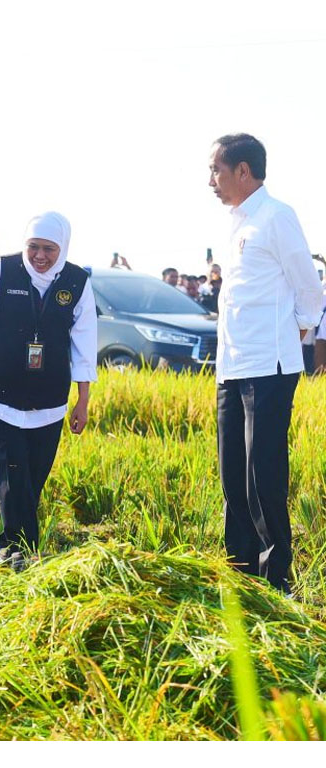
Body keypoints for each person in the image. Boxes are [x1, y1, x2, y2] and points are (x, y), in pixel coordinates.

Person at [208, 133, 321, 593]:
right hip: (232, 366)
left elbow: (309, 288)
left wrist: (296, 331)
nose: (210, 179)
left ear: (242, 171)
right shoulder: (235, 223)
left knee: (263, 474)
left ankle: (277, 580)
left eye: (216, 169)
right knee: (231, 471)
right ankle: (241, 572)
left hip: (269, 368)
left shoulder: (276, 217)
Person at [0, 212, 97, 569]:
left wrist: (82, 400)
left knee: (32, 478)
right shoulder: (1, 271)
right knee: (10, 470)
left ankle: (7, 548)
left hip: (49, 399)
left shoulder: (77, 282)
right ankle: (22, 552)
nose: (39, 256)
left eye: (49, 249)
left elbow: (85, 344)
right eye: (33, 247)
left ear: (62, 248)